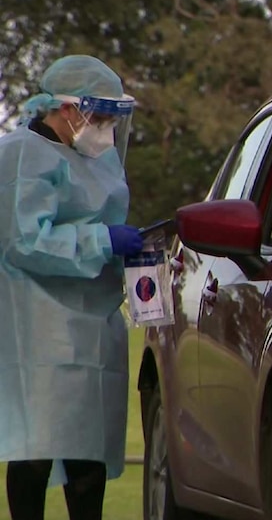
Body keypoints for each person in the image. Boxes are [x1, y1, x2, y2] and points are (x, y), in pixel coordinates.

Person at [0, 55, 143, 520]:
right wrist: (102, 239)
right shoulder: (24, 154)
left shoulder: (98, 162)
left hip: (94, 322)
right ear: (67, 109)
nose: (105, 128)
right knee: (36, 445)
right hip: (38, 324)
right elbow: (25, 240)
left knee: (89, 446)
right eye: (99, 116)